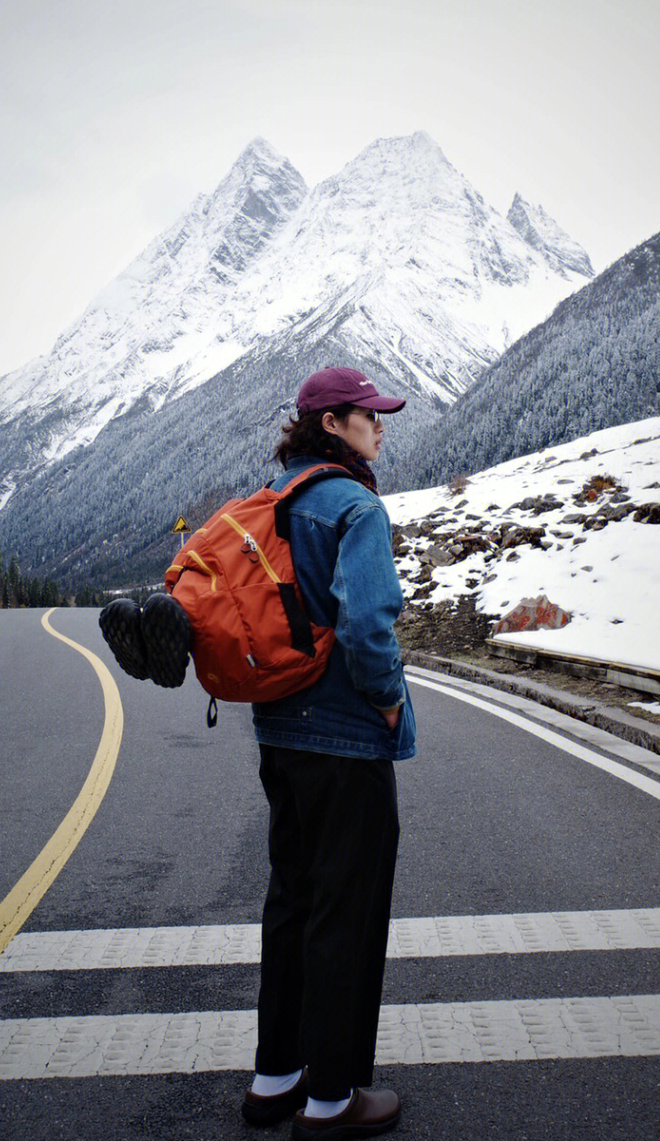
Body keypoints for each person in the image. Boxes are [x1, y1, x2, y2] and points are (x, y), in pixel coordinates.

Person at [240, 366, 416, 1140]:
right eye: (370, 415)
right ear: (334, 424)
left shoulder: (275, 501)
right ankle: (332, 1099)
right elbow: (368, 621)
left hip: (279, 732)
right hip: (346, 739)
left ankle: (274, 1079)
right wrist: (385, 698)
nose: (382, 426)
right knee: (346, 912)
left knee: (293, 902)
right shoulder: (355, 504)